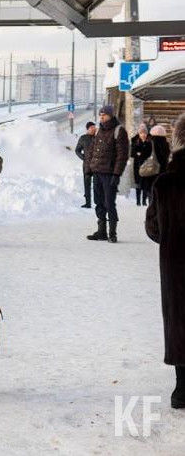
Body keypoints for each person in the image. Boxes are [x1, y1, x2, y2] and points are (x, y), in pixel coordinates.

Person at [145, 113, 185, 409]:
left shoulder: (164, 183)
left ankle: (182, 389)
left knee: (179, 321)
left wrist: (172, 238)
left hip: (176, 267)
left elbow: (153, 228)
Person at [86, 105, 129, 243]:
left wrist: (116, 175)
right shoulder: (99, 131)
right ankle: (101, 231)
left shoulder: (118, 130)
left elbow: (122, 156)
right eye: (100, 115)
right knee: (98, 202)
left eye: (104, 115)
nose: (101, 117)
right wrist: (89, 168)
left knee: (109, 203)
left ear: (110, 115)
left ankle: (112, 233)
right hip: (97, 172)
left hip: (109, 174)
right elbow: (92, 151)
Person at [141, 125, 172, 204]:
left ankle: (153, 214)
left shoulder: (149, 144)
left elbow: (143, 157)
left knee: (151, 199)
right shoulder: (166, 145)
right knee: (161, 199)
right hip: (163, 174)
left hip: (151, 174)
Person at [75, 121, 97, 208]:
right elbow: (77, 150)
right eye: (91, 127)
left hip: (97, 165)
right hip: (87, 165)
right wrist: (84, 158)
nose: (93, 129)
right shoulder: (83, 138)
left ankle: (98, 202)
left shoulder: (98, 137)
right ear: (87, 129)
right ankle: (88, 203)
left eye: (94, 127)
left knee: (97, 185)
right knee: (87, 185)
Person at [131, 124, 152, 206]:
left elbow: (150, 153)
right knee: (138, 182)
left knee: (145, 182)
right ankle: (138, 200)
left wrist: (141, 153)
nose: (143, 134)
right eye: (141, 133)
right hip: (137, 164)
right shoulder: (135, 141)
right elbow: (132, 153)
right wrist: (137, 154)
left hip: (146, 164)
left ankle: (144, 200)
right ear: (139, 134)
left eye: (144, 133)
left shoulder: (149, 142)